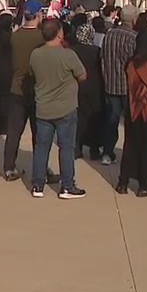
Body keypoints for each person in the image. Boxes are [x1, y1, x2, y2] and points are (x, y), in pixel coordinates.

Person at [28, 18, 88, 198]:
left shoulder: (35, 55)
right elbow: (83, 75)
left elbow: (32, 74)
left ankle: (38, 185)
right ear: (59, 34)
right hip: (66, 108)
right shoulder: (68, 55)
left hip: (43, 108)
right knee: (66, 147)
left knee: (41, 147)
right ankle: (67, 186)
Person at [116, 13, 147, 197]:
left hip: (133, 107)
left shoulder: (131, 63)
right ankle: (144, 184)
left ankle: (123, 182)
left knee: (131, 145)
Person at [2, 0, 49, 181]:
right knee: (40, 134)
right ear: (38, 15)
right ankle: (41, 169)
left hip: (16, 88)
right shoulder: (41, 37)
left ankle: (8, 167)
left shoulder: (15, 36)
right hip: (36, 88)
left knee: (14, 132)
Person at [98, 5, 138, 166]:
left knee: (111, 120)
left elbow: (102, 57)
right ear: (133, 19)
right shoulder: (133, 37)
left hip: (110, 83)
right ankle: (130, 154)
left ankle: (107, 152)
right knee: (129, 121)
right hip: (126, 85)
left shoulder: (109, 34)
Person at [66, 20, 104, 160]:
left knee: (78, 119)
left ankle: (77, 148)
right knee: (94, 119)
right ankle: (94, 149)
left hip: (77, 87)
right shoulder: (96, 51)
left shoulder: (72, 51)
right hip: (95, 87)